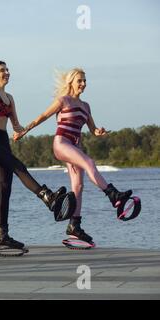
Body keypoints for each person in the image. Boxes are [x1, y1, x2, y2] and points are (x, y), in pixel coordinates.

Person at [0, 56, 76, 253]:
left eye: (7, 70)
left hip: (3, 140)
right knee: (18, 166)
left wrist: (26, 129)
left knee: (5, 188)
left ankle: (1, 235)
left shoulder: (10, 98)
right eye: (2, 70)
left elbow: (16, 126)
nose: (6, 73)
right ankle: (47, 196)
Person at [14, 68, 134, 247]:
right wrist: (23, 131)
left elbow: (92, 129)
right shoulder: (63, 100)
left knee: (78, 186)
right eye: (80, 80)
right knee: (89, 162)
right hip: (62, 144)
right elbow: (43, 117)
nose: (83, 84)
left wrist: (98, 132)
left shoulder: (86, 106)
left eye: (85, 81)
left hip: (75, 146)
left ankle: (74, 225)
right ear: (71, 82)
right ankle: (113, 195)